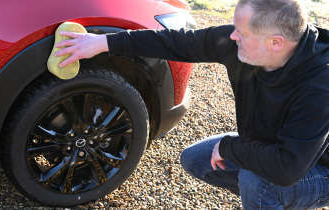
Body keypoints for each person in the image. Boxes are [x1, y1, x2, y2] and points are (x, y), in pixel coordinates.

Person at [53, 0, 329, 209]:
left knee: (257, 180)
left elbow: (287, 168)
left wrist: (230, 147)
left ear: (275, 43)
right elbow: (176, 42)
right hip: (272, 147)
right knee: (196, 160)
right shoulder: (240, 44)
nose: (232, 37)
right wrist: (100, 43)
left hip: (317, 169)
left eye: (241, 33)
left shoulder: (319, 84)